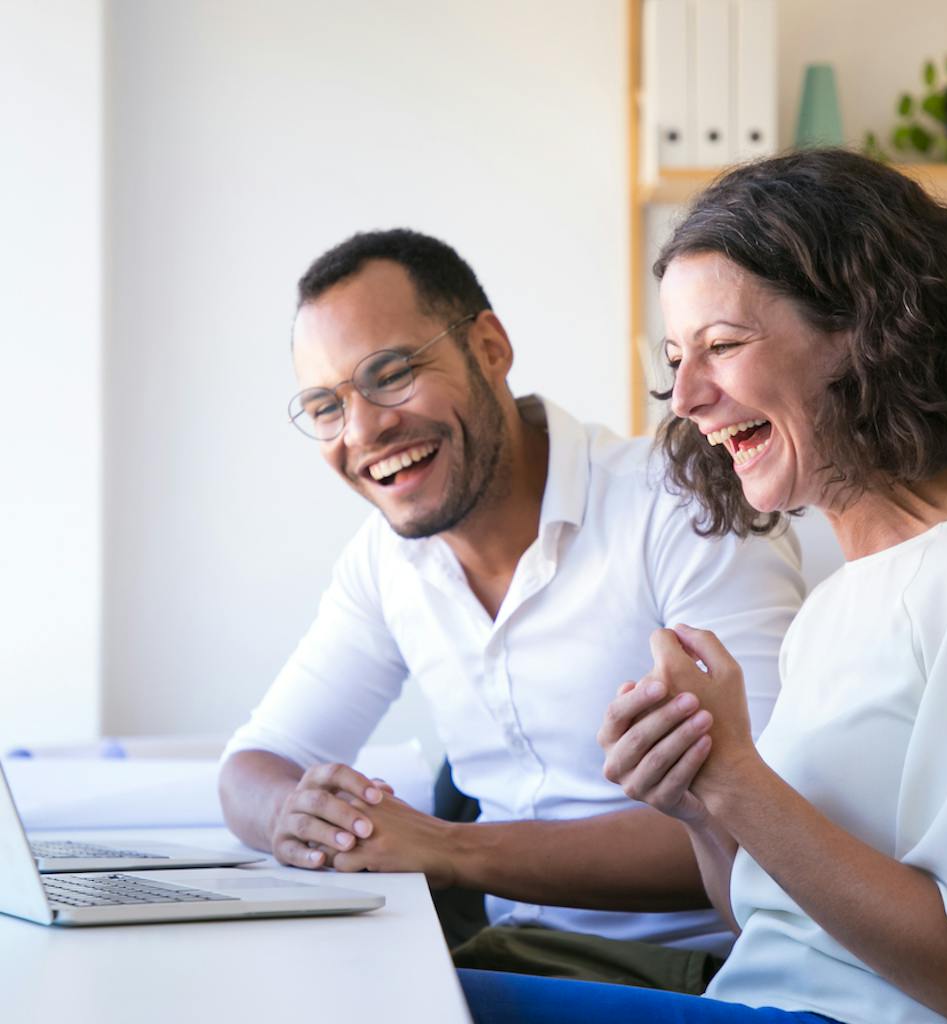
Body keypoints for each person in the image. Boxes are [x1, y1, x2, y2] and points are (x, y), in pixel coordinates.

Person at [459, 150, 947, 1023]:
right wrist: (699, 803)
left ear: (868, 330)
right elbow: (765, 928)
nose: (685, 396)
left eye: (721, 346)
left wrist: (737, 782)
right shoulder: (835, 604)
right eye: (676, 358)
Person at [218, 228, 804, 989]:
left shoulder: (681, 502)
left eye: (391, 374)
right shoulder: (385, 559)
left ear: (490, 347)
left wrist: (449, 850)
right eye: (326, 406)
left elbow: (771, 820)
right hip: (511, 957)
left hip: (696, 973)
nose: (363, 430)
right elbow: (254, 765)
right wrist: (298, 817)